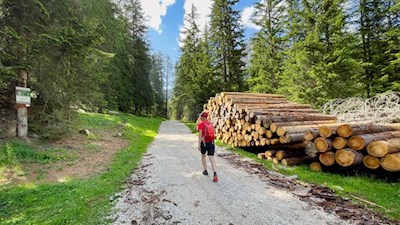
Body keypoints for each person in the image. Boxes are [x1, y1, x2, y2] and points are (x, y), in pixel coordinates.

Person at [197, 111, 218, 182]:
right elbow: (213, 133)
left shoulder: (201, 125)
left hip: (204, 143)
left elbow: (200, 135)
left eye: (201, 117)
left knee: (203, 156)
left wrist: (199, 144)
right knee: (212, 158)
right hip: (211, 143)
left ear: (202, 117)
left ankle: (205, 170)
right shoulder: (210, 124)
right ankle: (215, 173)